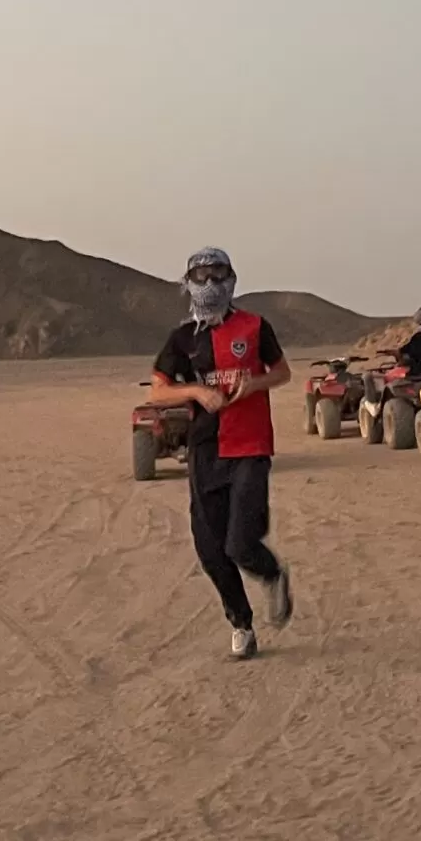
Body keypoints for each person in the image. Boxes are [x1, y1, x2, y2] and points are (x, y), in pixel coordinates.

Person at [148, 249, 293, 661]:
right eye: (201, 274)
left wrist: (257, 384)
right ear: (188, 281)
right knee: (210, 549)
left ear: (232, 278)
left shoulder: (254, 325)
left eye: (218, 273)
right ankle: (241, 624)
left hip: (250, 444)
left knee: (240, 542)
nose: (210, 283)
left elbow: (283, 372)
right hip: (206, 449)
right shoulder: (182, 338)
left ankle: (272, 575)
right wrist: (195, 391)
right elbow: (157, 390)